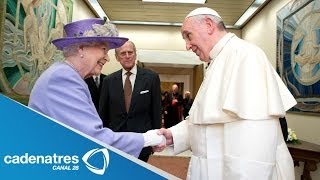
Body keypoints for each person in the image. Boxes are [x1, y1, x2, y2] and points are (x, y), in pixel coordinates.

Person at [154, 7, 297, 180]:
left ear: (208, 25)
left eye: (188, 35)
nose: (187, 46)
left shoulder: (245, 55)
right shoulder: (218, 60)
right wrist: (174, 135)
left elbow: (254, 147)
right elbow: (209, 123)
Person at [28, 18, 164, 158]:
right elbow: (93, 139)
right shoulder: (63, 78)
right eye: (104, 49)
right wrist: (147, 138)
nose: (107, 58)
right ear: (81, 48)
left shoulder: (68, 75)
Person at [99, 41, 162, 162]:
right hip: (116, 141)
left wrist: (156, 138)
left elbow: (156, 111)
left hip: (142, 141)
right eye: (123, 53)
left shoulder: (151, 78)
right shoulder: (108, 81)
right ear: (117, 58)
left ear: (135, 54)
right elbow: (103, 114)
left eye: (130, 52)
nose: (127, 56)